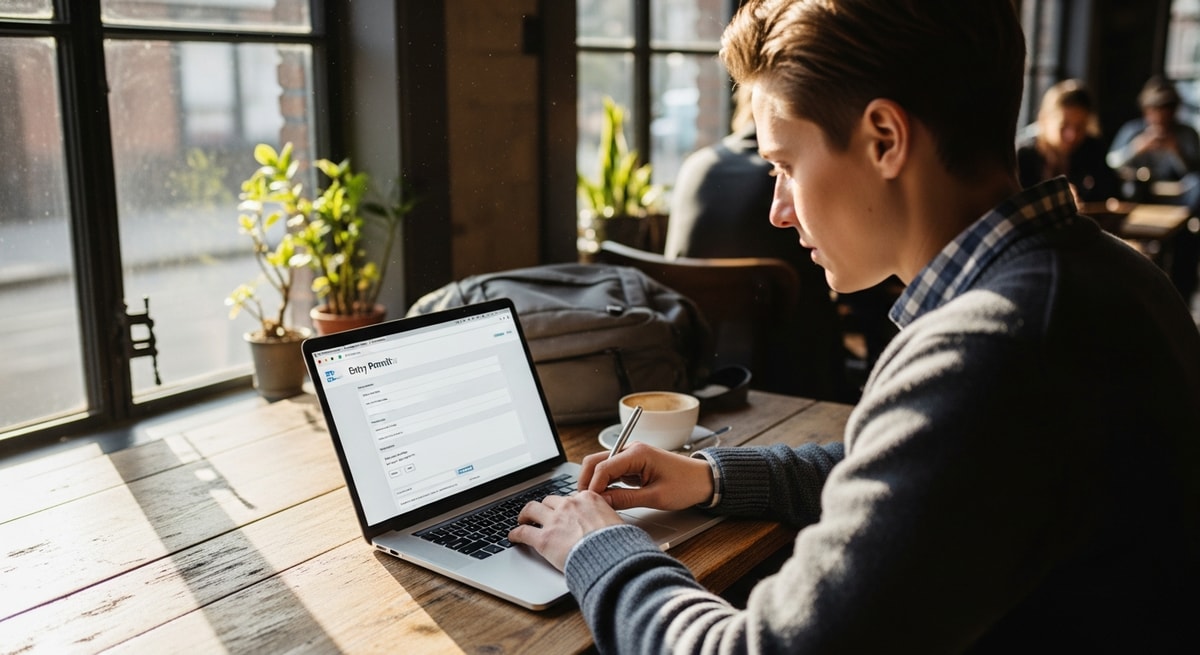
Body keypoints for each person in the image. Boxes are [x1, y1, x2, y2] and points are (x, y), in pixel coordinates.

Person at [509, 1, 1200, 652]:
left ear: (884, 139)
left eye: (785, 165)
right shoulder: (1111, 275)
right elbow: (911, 473)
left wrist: (596, 546)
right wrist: (710, 477)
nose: (779, 208)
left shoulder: (993, 350)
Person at [665, 85, 896, 399]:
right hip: (796, 373)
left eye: (786, 167)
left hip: (701, 368)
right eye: (780, 168)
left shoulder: (696, 165)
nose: (779, 213)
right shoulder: (790, 185)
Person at [1107, 75, 1200, 304]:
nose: (1161, 115)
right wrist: (1136, 149)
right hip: (1141, 196)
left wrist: (1175, 151)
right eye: (1155, 109)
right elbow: (1111, 163)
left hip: (1179, 201)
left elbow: (1194, 170)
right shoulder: (1134, 130)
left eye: (1166, 109)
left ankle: (1180, 296)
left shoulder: (1186, 133)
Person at [1017, 78, 1119, 203]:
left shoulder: (1093, 149)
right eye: (1063, 125)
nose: (1072, 135)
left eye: (1080, 127)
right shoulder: (1023, 156)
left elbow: (1111, 193)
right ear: (1044, 119)